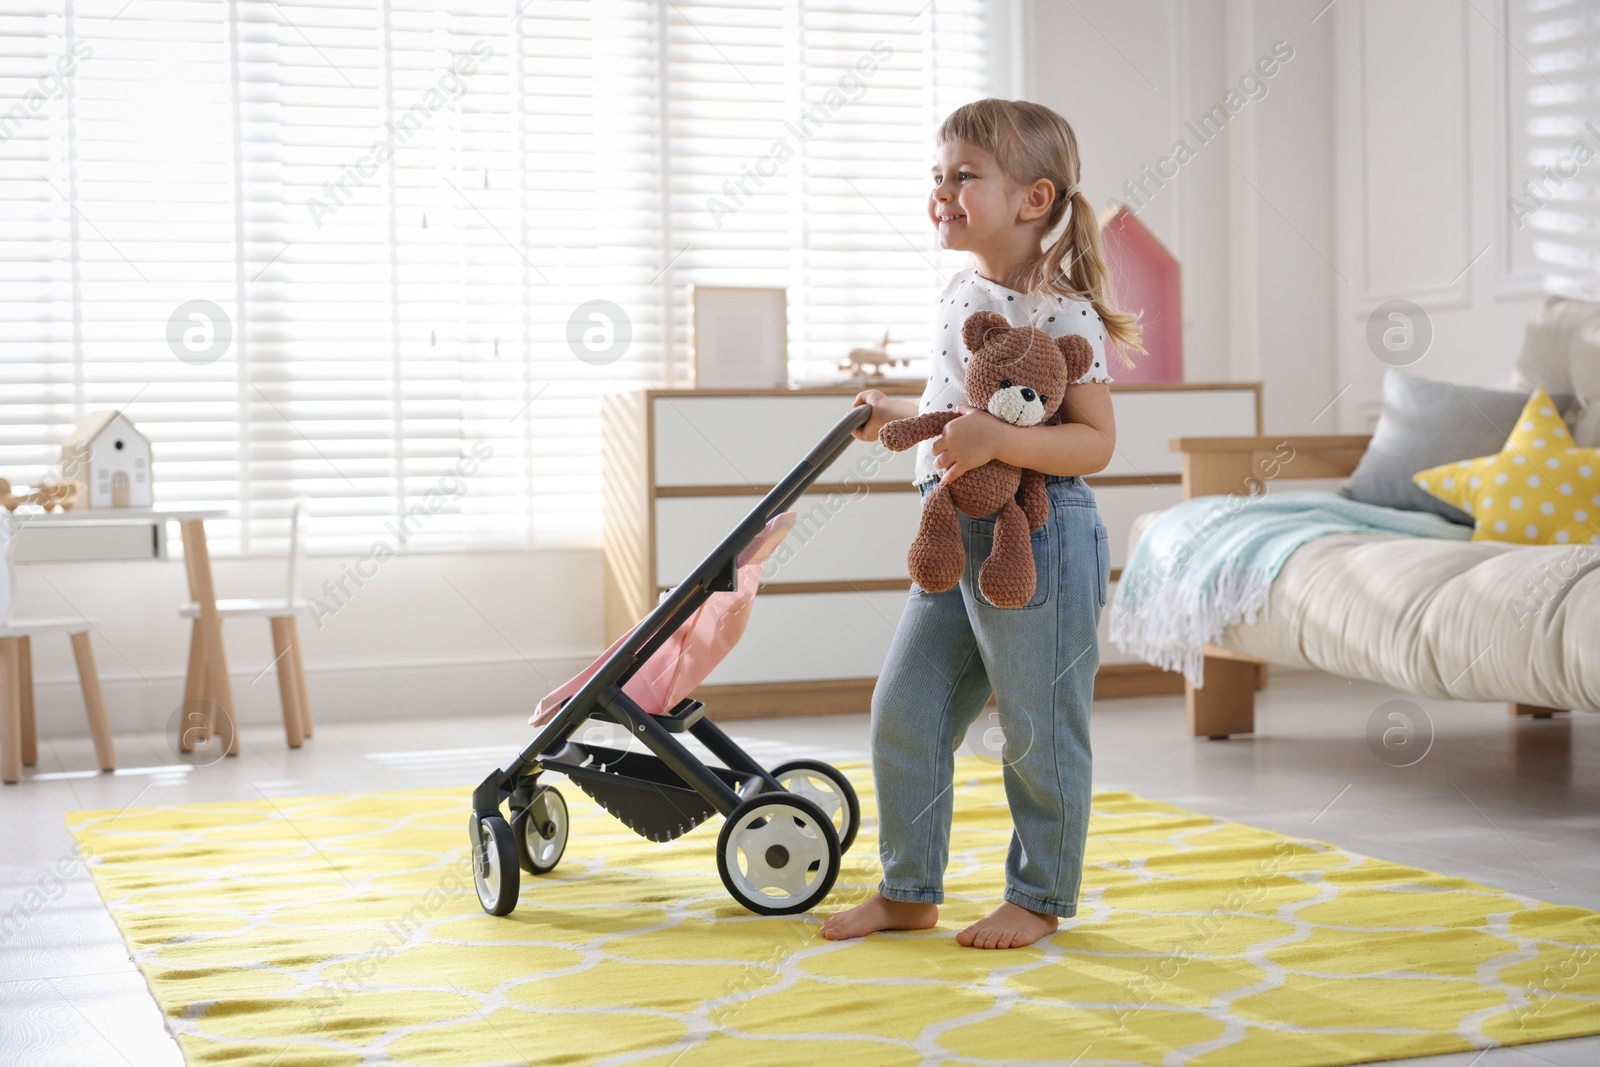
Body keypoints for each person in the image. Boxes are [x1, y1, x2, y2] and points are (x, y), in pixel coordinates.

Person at [821, 98, 1142, 949]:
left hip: (1041, 536)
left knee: (1037, 720)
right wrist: (896, 410)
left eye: (964, 176)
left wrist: (998, 438)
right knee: (907, 706)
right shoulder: (963, 292)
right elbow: (962, 405)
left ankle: (1038, 897)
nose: (941, 191)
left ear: (1034, 200)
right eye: (937, 176)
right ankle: (908, 886)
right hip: (956, 530)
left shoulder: (1060, 311)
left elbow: (1095, 441)